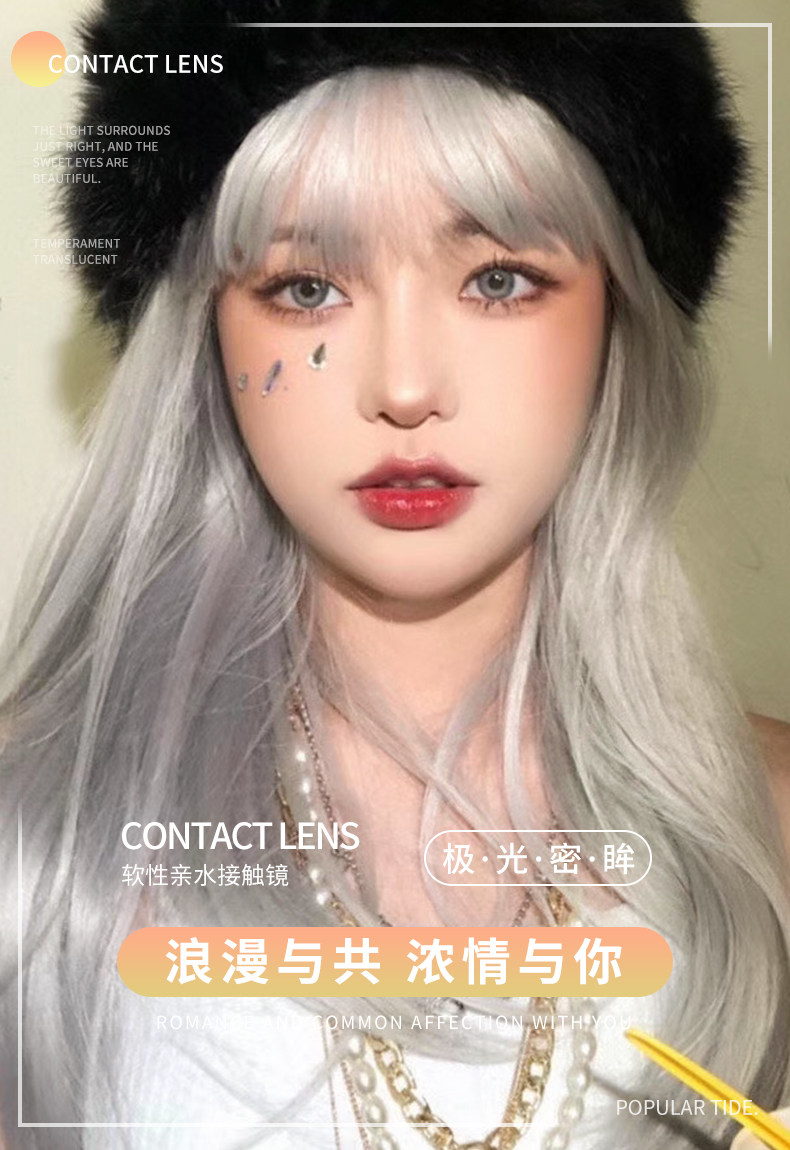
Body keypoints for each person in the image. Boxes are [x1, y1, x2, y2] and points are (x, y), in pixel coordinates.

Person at [1, 2, 789, 1148]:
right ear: (205, 338)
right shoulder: (34, 848)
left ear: (616, 317)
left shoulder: (766, 840)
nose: (406, 386)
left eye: (500, 279)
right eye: (306, 287)